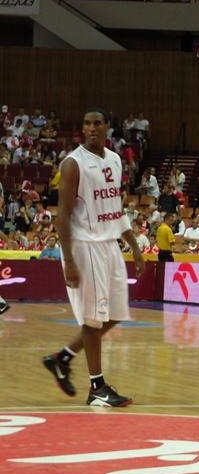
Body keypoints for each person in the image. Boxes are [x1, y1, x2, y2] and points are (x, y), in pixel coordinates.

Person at [42, 108, 146, 408]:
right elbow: (63, 213)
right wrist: (69, 259)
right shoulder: (73, 163)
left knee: (115, 313)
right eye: (86, 124)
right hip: (85, 247)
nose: (91, 128)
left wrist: (134, 247)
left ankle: (62, 358)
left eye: (97, 123)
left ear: (106, 128)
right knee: (94, 318)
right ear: (82, 130)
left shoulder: (114, 159)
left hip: (110, 245)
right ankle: (97, 388)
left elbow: (116, 209)